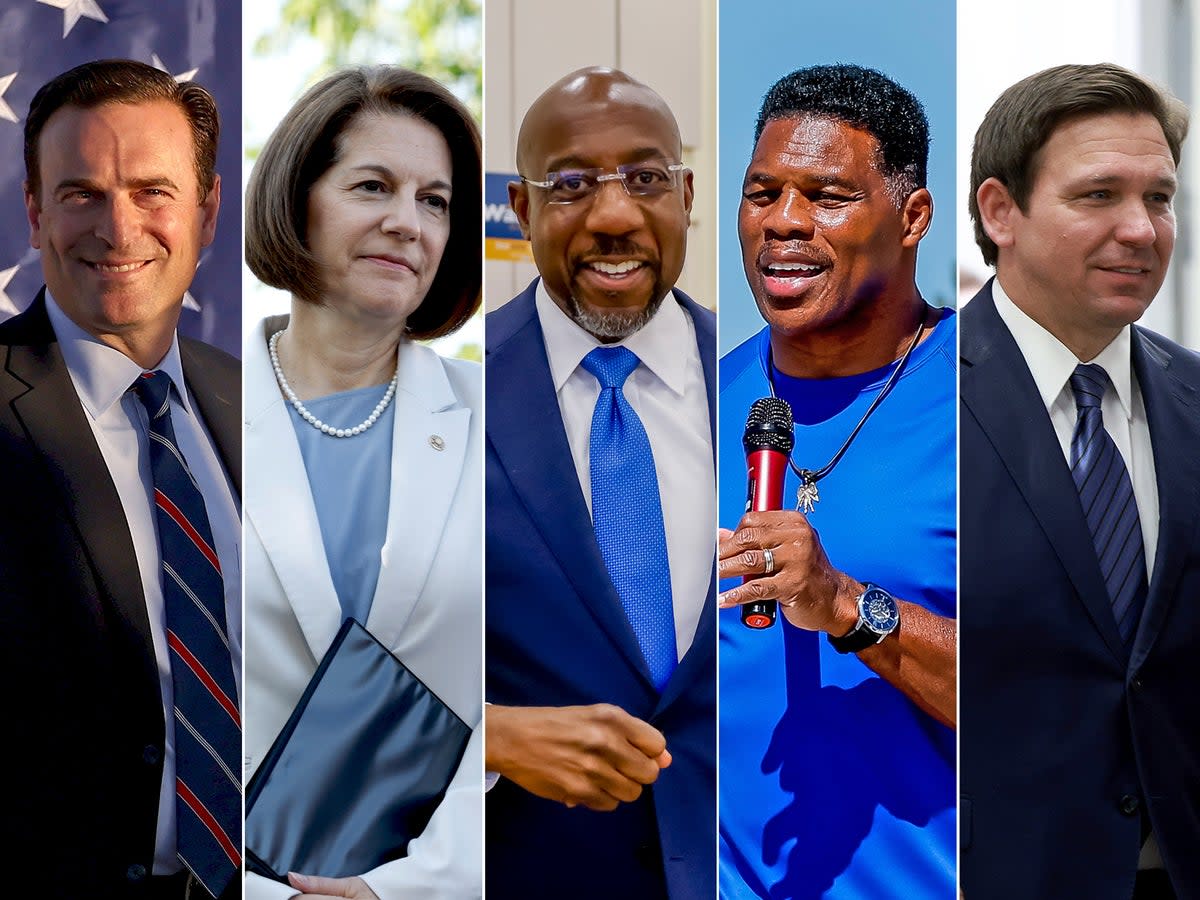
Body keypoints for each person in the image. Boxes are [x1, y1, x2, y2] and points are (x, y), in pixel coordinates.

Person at [241, 66, 482, 900]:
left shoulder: (500, 422)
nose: (406, 223)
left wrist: (409, 887)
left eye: (436, 201)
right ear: (296, 198)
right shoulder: (188, 410)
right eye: (372, 186)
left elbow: (528, 699)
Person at [716, 65, 957, 899]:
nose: (783, 223)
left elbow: (1054, 699)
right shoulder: (686, 404)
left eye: (826, 196)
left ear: (914, 216)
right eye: (761, 193)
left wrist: (848, 605)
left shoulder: (991, 401)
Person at [0, 60, 239, 898]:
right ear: (35, 212)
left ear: (208, 213)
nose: (119, 226)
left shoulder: (260, 408)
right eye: (81, 194)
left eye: (152, 191)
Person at [961, 62, 1199, 900]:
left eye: (1160, 199)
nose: (1142, 230)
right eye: (1099, 195)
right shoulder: (909, 407)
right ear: (1001, 212)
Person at [483, 67, 716, 898]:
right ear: (522, 210)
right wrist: (487, 735)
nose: (615, 217)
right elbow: (351, 677)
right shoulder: (437, 403)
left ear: (686, 195)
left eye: (647, 180)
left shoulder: (782, 391)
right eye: (572, 185)